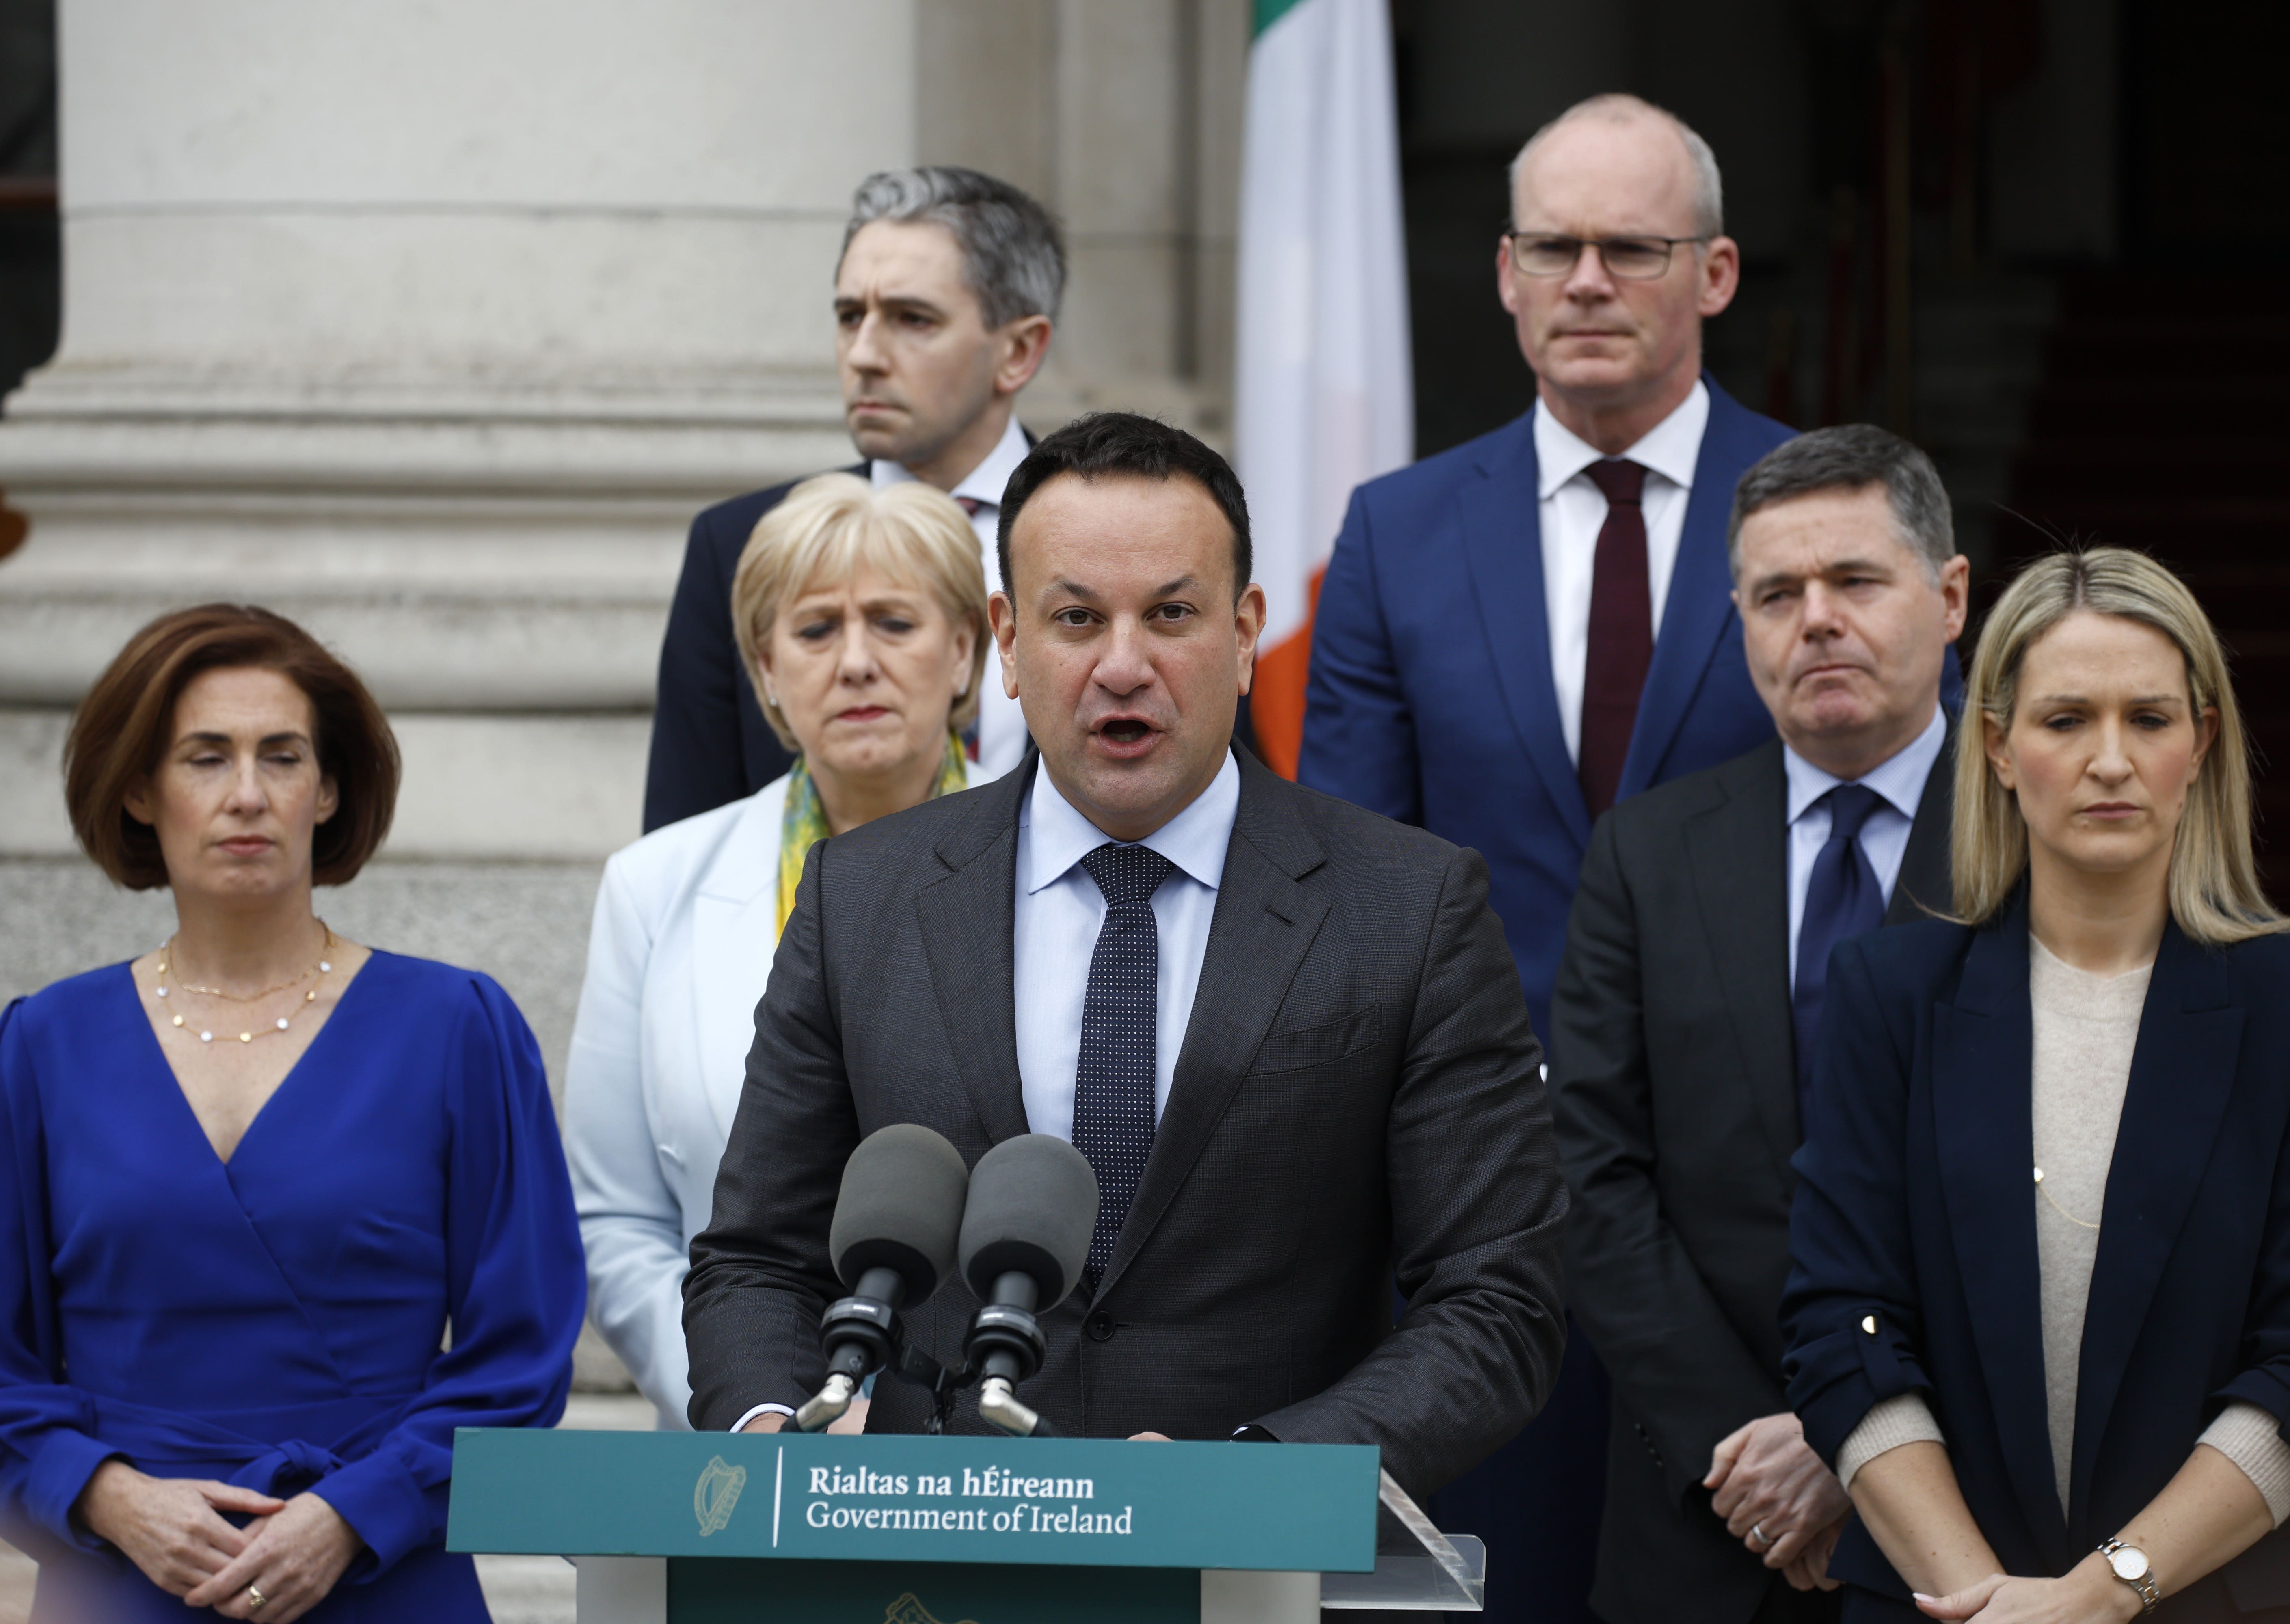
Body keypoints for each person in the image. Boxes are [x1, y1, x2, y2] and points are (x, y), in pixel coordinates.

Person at [683, 412, 1568, 1498]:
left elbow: (1498, 1300)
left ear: (1246, 634)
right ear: (1007, 643)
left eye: (1172, 615)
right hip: (930, 1569)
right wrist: (776, 1421)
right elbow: (756, 1259)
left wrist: (1254, 1485)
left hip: (1267, 1584)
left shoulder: (1414, 907)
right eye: (1075, 618)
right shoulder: (863, 896)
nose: (1122, 665)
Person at [1299, 92, 1817, 1622]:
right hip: (1480, 1206)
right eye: (1553, 247)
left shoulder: (1821, 514)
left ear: (1714, 274)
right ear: (1507, 274)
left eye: (1630, 248)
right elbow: (1356, 872)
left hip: (1755, 1203)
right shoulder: (1395, 532)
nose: (1587, 280)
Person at [1782, 549, 2290, 1622]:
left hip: (2221, 1600)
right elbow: (1844, 1331)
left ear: (2201, 744)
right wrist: (1988, 1604)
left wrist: (2100, 1597)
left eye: (2149, 720)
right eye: (2066, 720)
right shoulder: (1888, 993)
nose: (2110, 759)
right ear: (1999, 746)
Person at [0, 605, 584, 1623]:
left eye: (282, 756)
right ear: (140, 790)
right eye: (204, 757)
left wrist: (355, 1512)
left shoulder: (458, 1027)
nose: (246, 795)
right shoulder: (40, 1044)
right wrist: (111, 1496)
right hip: (122, 1581)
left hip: (383, 1571)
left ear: (329, 790)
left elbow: (521, 1352)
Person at [1550, 426, 1969, 1624]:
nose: (1817, 620)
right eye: (1778, 594)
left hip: (1968, 1517)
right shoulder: (1644, 852)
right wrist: (1745, 1440)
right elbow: (1592, 1174)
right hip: (1708, 1511)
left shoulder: (2040, 841)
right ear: (1740, 621)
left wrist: (1858, 1439)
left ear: (1948, 600)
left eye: (1855, 582)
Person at [567, 475, 999, 1431]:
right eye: (814, 631)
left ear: (965, 649)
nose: (856, 663)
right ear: (764, 668)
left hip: (1013, 1460)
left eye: (895, 622)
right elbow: (617, 1221)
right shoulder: (654, 885)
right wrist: (757, 1400)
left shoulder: (1078, 866)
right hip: (751, 1458)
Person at [644, 165, 1063, 831]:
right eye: (849, 316)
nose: (864, 354)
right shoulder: (737, 545)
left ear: (1018, 351)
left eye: (912, 319)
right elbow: (690, 861)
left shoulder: (1123, 543)